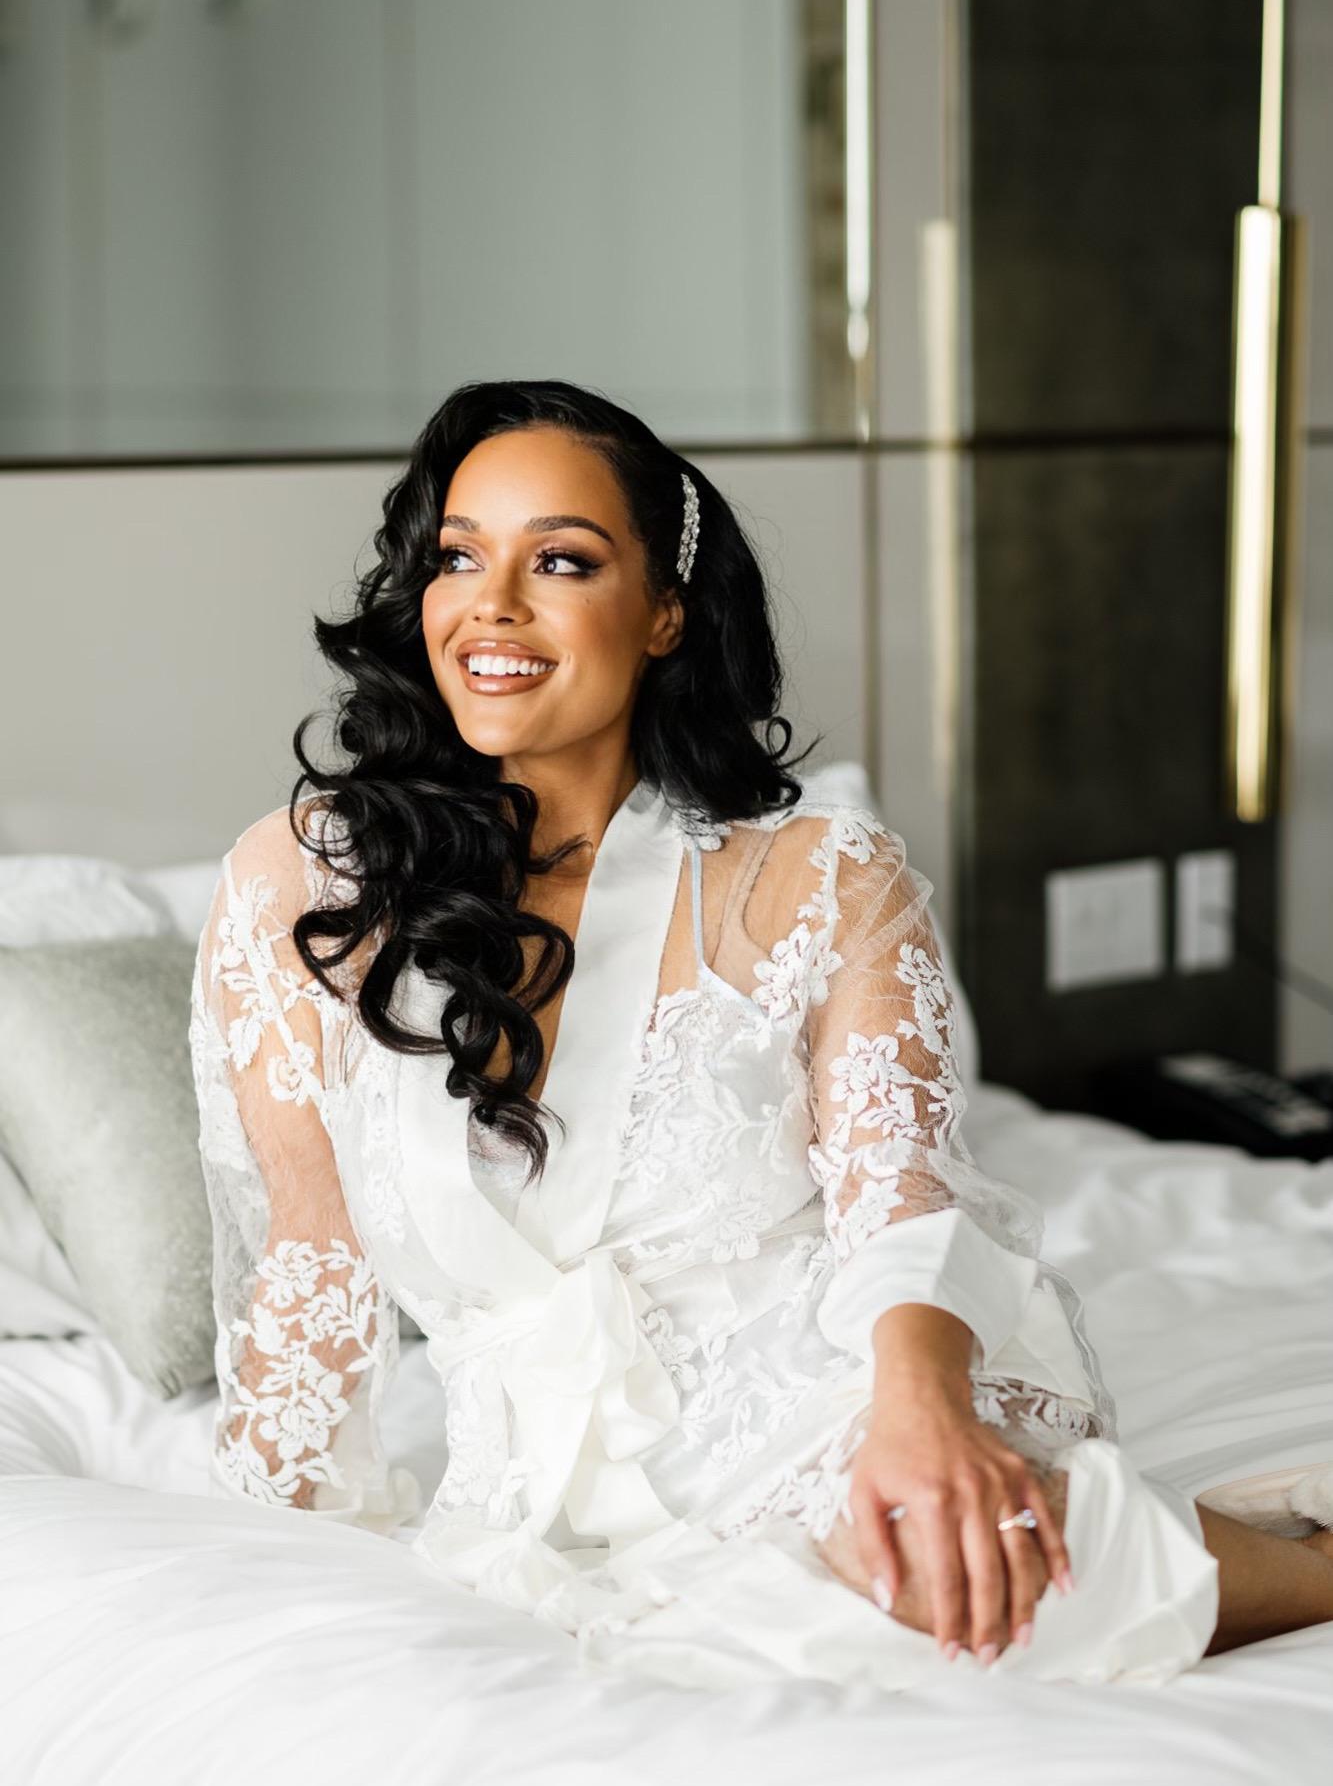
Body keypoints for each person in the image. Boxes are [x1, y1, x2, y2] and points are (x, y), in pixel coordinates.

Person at [189, 378, 1333, 1693]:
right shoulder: (307, 889)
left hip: (825, 1411)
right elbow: (313, 1262)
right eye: (457, 557)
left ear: (664, 612)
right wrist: (261, 1567)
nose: (490, 604)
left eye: (561, 561)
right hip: (526, 1503)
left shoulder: (818, 876)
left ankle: (1303, 1570)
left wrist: (920, 1415)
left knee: (955, 1563)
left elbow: (900, 1196)